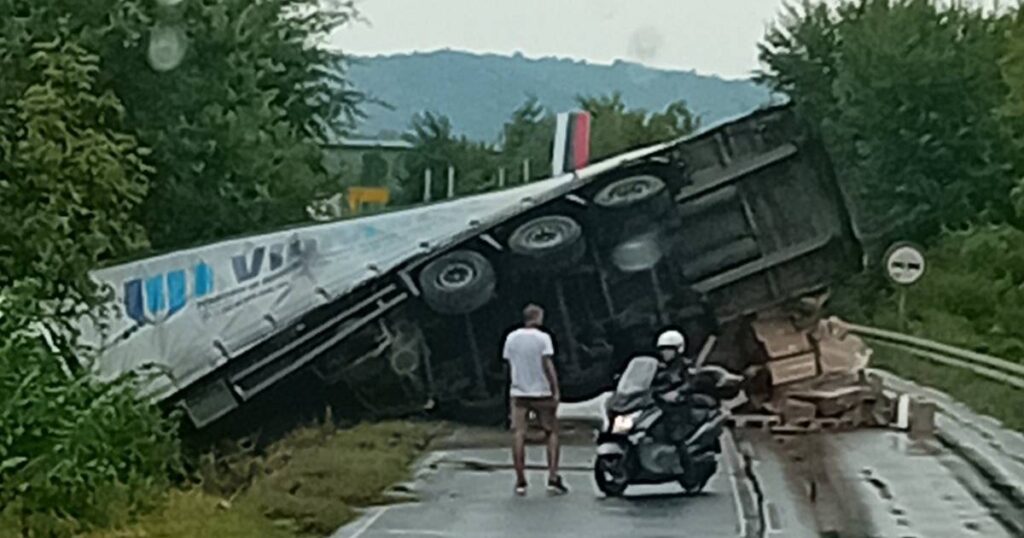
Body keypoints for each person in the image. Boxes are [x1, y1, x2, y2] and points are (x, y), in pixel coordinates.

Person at [503, 303, 569, 496]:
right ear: (538, 317)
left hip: (518, 392)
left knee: (518, 433)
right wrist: (555, 389)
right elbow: (547, 364)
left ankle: (521, 481)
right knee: (551, 433)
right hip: (542, 392)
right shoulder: (543, 338)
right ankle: (552, 478)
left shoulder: (511, 338)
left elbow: (508, 363)